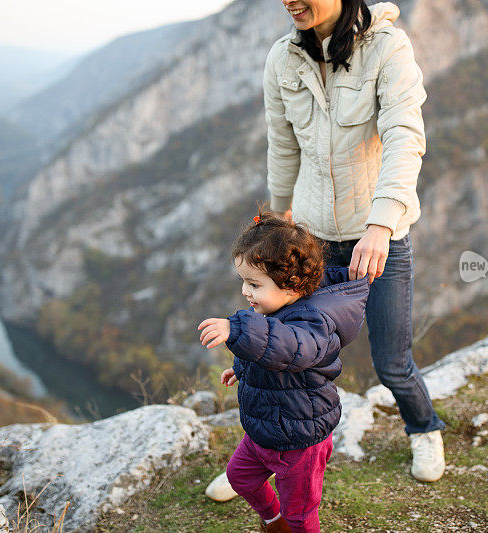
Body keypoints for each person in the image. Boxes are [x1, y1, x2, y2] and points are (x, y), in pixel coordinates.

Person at [264, 0, 448, 481]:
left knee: (392, 363)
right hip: (312, 237)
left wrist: (381, 224)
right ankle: (270, 455)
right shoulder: (282, 58)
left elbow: (405, 135)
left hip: (380, 237)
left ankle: (424, 429)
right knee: (294, 355)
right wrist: (278, 210)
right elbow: (282, 142)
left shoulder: (388, 47)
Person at [198, 212, 369, 533]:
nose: (246, 292)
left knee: (301, 514)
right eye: (244, 282)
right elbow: (270, 352)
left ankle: (289, 523)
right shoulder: (272, 309)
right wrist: (241, 368)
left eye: (254, 284)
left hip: (300, 439)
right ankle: (274, 521)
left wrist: (235, 329)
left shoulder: (315, 323)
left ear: (291, 286)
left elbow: (291, 348)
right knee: (240, 478)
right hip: (266, 429)